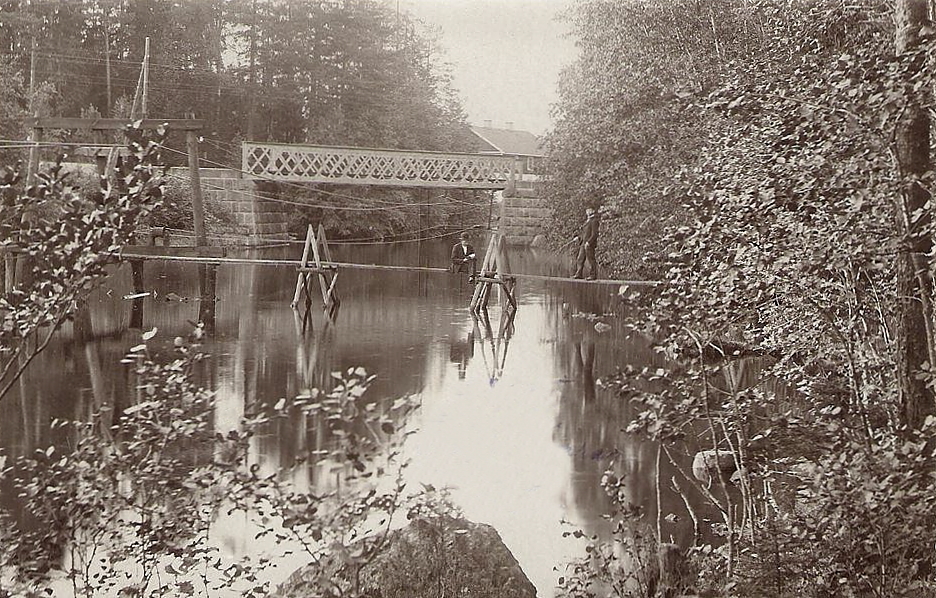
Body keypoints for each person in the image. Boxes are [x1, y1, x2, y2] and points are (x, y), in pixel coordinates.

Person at [572, 207, 600, 280]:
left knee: (591, 260)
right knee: (580, 258)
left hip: (589, 244)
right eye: (587, 210)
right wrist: (578, 238)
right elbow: (584, 234)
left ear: (593, 211)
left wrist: (589, 242)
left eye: (590, 210)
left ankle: (593, 275)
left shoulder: (594, 221)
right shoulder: (587, 221)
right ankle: (578, 274)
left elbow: (595, 234)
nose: (588, 211)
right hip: (583, 243)